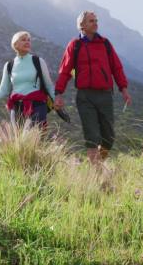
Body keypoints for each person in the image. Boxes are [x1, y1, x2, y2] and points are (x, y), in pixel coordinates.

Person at [54, 11, 131, 165]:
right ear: (81, 25)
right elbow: (65, 71)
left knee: (109, 138)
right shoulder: (74, 45)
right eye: (91, 21)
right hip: (85, 96)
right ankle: (96, 172)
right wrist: (58, 93)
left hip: (105, 96)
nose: (95, 23)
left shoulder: (105, 44)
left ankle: (97, 164)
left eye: (96, 20)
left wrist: (124, 89)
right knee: (91, 136)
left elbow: (116, 68)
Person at [0, 31, 56, 128]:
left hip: (37, 105)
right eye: (23, 40)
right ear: (15, 45)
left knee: (35, 139)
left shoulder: (38, 61)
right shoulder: (9, 65)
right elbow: (4, 89)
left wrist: (56, 99)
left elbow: (49, 85)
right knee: (19, 139)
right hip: (16, 107)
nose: (27, 42)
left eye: (29, 40)